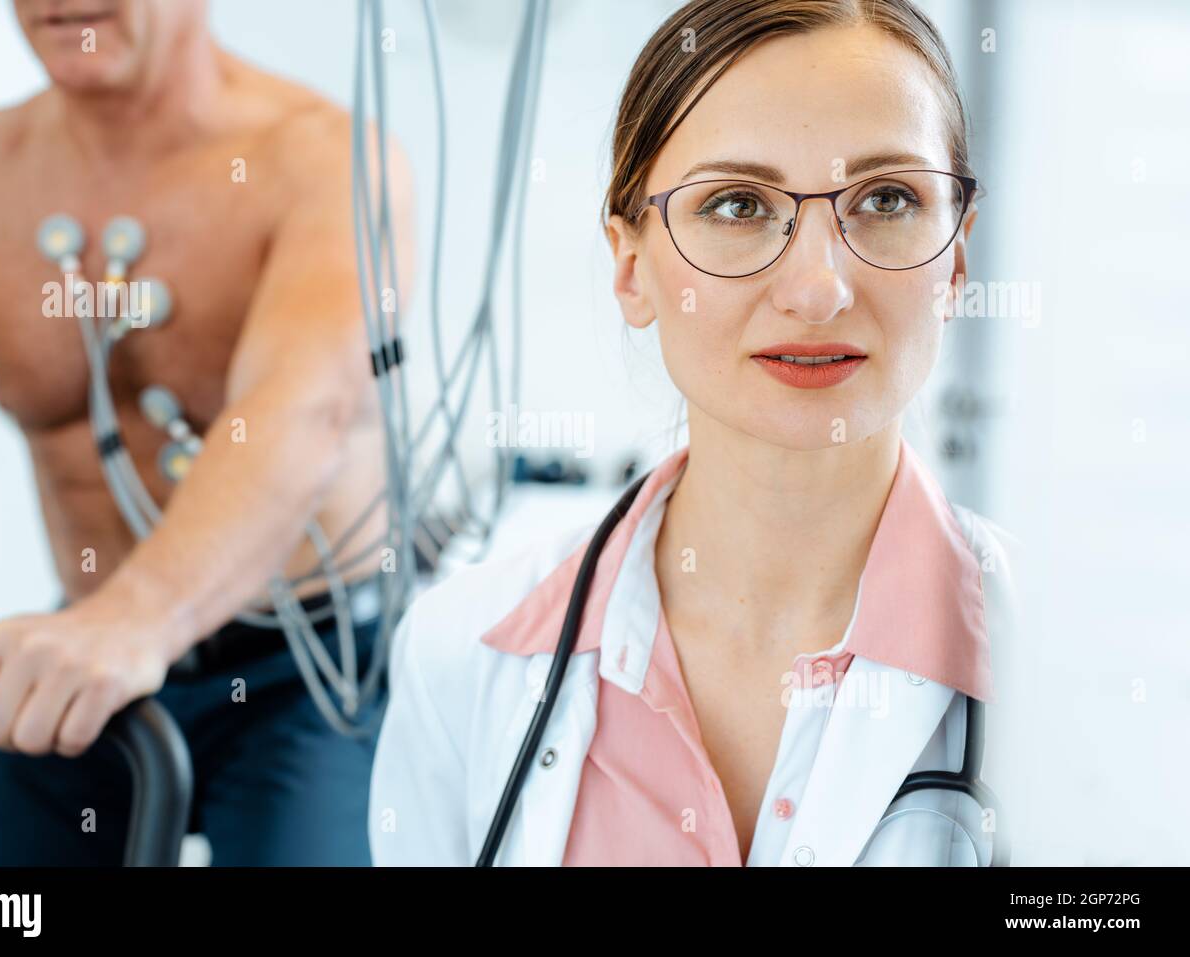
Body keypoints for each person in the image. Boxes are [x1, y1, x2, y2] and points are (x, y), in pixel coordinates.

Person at [368, 0, 1019, 866]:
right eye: (739, 205)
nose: (817, 289)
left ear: (958, 262)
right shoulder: (459, 654)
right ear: (631, 265)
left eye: (887, 198)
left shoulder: (1061, 660)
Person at [0, 0, 415, 865]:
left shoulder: (322, 158)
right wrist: (109, 630)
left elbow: (300, 410)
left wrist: (136, 621)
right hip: (91, 662)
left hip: (308, 669)